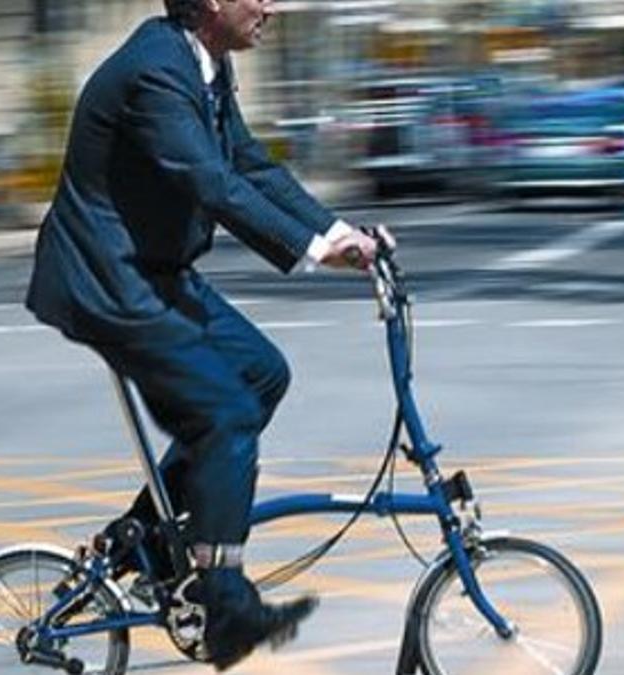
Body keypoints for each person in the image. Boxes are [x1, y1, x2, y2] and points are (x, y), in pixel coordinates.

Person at [25, 0, 383, 670]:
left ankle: (143, 540)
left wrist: (338, 235)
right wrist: (311, 249)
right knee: (226, 413)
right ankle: (225, 601)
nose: (269, 6)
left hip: (157, 274)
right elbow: (210, 182)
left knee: (262, 374)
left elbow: (247, 162)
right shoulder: (156, 71)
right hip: (110, 281)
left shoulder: (205, 64)